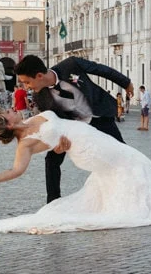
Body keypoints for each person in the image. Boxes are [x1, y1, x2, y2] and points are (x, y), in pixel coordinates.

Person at [0, 108, 151, 233]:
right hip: (86, 149)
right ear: (8, 124)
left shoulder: (33, 118)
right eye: (9, 112)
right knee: (129, 159)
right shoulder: (25, 144)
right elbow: (17, 170)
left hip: (90, 135)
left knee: (129, 159)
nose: (13, 109)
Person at [15, 53, 133, 204]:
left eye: (27, 82)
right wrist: (58, 144)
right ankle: (53, 202)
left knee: (122, 152)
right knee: (51, 160)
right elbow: (53, 120)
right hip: (72, 127)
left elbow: (101, 70)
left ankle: (131, 187)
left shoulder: (71, 65)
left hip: (99, 116)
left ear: (39, 76)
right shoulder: (40, 97)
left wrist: (126, 83)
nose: (26, 87)